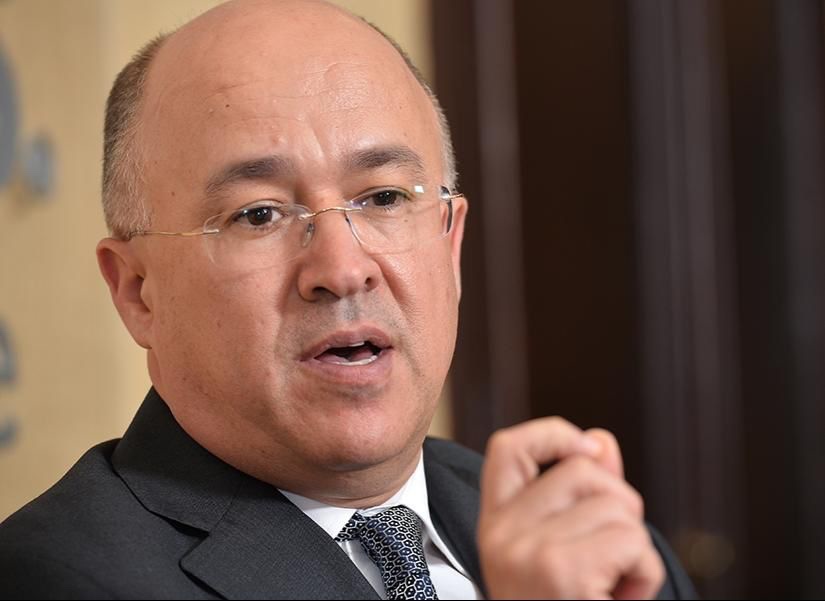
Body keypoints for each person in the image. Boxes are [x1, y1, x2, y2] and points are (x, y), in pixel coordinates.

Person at [0, 1, 696, 598]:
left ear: (451, 244)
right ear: (137, 291)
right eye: (258, 214)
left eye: (384, 197)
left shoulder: (579, 534)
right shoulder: (57, 574)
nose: (342, 269)